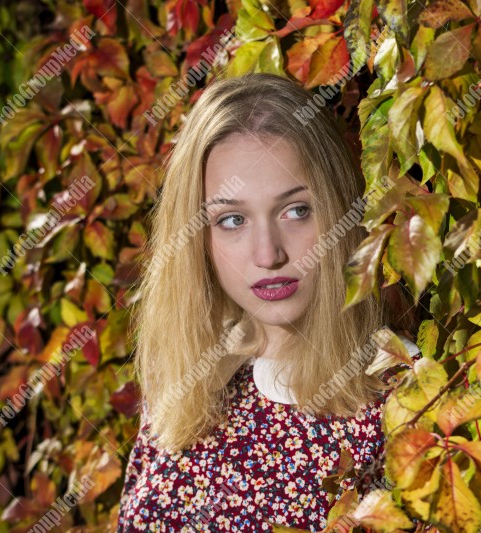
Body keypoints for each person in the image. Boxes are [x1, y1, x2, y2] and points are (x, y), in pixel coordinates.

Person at [116, 72, 420, 532]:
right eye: (232, 219)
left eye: (296, 211)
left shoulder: (399, 393)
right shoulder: (187, 383)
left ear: (338, 209)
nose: (268, 254)